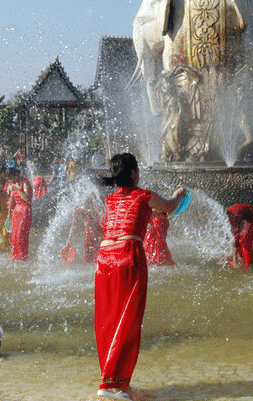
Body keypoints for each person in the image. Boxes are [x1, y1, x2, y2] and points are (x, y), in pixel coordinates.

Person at [94, 153, 185, 401]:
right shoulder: (144, 195)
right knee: (128, 319)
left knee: (108, 318)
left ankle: (110, 376)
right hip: (127, 256)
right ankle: (113, 383)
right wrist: (179, 195)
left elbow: (129, 220)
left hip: (104, 259)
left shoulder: (111, 199)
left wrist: (154, 216)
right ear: (134, 173)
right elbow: (170, 206)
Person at [226, 203, 253, 268]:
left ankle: (250, 266)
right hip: (249, 220)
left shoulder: (234, 216)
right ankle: (244, 261)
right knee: (242, 241)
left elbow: (236, 237)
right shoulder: (229, 213)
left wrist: (235, 259)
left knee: (245, 242)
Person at [6, 167, 33, 261]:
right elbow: (11, 200)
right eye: (9, 179)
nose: (10, 180)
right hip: (16, 211)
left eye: (11, 178)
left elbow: (28, 199)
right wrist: (9, 215)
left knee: (21, 235)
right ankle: (15, 257)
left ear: (16, 175)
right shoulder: (12, 184)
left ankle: (23, 258)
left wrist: (17, 190)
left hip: (25, 210)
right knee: (13, 237)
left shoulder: (24, 183)